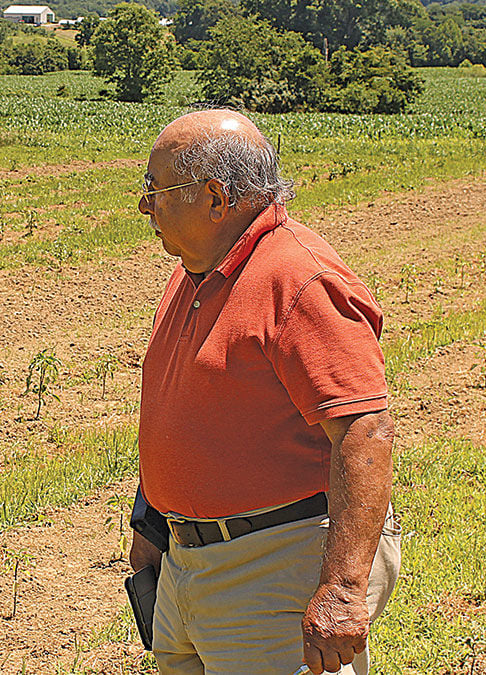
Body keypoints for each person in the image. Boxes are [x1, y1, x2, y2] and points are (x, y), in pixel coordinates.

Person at [129, 109, 401, 675]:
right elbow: (179, 412)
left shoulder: (298, 278)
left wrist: (344, 589)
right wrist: (155, 531)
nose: (144, 206)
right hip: (189, 567)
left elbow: (364, 429)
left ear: (214, 199)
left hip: (277, 569)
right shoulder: (194, 274)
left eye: (156, 190)